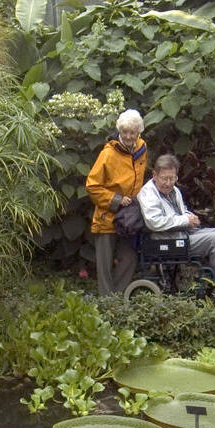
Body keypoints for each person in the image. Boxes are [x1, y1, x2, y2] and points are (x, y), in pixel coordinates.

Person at [137, 153, 215, 292]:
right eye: (165, 179)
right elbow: (154, 222)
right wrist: (185, 220)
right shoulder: (148, 193)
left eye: (172, 178)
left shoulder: (174, 190)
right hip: (166, 240)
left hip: (183, 233)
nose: (169, 183)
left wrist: (191, 217)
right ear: (155, 175)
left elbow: (182, 211)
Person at [86, 109, 147, 295]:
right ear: (119, 131)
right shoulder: (108, 154)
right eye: (125, 132)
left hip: (130, 218)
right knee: (104, 265)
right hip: (108, 216)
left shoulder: (142, 148)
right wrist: (117, 200)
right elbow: (92, 186)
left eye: (133, 132)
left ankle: (117, 299)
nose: (128, 136)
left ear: (139, 132)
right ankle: (106, 305)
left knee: (129, 258)